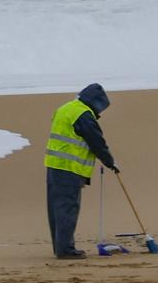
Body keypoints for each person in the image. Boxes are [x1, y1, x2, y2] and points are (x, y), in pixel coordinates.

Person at [44, 83, 116, 259]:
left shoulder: (66, 108)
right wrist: (110, 161)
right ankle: (65, 250)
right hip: (69, 168)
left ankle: (60, 247)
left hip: (53, 165)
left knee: (56, 209)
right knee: (67, 208)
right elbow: (96, 142)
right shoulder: (83, 115)